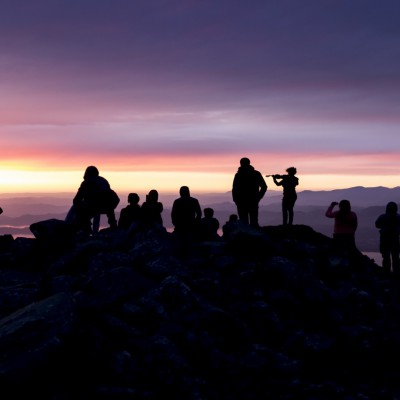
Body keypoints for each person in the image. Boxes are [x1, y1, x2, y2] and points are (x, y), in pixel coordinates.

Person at [71, 165, 119, 233]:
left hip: (106, 203)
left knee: (96, 210)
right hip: (100, 204)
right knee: (84, 212)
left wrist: (84, 203)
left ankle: (111, 225)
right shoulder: (87, 184)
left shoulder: (100, 183)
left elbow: (104, 198)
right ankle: (87, 229)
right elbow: (77, 199)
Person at [232, 157, 267, 227]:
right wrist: (258, 197)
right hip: (249, 201)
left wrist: (235, 199)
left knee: (245, 223)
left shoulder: (239, 175)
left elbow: (234, 189)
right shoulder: (255, 174)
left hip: (243, 201)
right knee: (252, 222)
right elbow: (264, 186)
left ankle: (246, 237)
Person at [375, 201, 400, 275]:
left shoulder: (383, 217)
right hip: (395, 240)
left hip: (385, 240)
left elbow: (377, 225)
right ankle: (397, 273)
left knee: (386, 258)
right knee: (395, 258)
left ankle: (386, 273)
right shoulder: (398, 217)